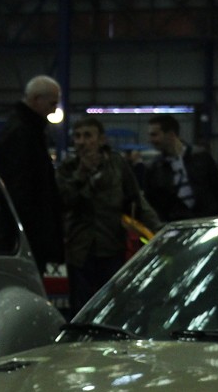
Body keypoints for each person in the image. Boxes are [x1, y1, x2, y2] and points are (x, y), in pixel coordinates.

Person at [56, 116, 162, 313]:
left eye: (88, 136)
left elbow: (135, 199)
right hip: (80, 250)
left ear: (101, 139)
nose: (82, 141)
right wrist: (81, 174)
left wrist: (158, 229)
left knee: (113, 305)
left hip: (112, 246)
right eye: (78, 136)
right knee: (82, 308)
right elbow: (63, 202)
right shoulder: (66, 169)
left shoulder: (117, 165)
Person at [0, 75, 64, 270]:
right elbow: (23, 188)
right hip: (29, 235)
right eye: (52, 103)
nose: (54, 109)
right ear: (36, 100)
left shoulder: (22, 129)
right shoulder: (24, 134)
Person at [138, 113, 218, 220]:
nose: (150, 140)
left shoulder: (201, 158)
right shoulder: (154, 169)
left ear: (171, 134)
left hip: (207, 225)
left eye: (154, 135)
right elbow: (151, 203)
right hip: (177, 227)